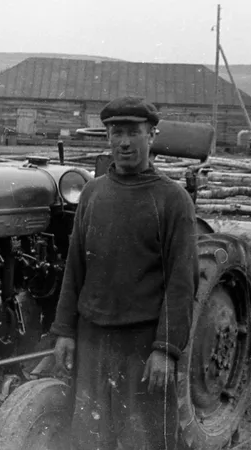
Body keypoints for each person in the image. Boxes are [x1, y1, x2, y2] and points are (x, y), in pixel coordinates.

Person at [50, 96, 200, 450]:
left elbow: (182, 283)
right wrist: (65, 331)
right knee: (89, 439)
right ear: (107, 137)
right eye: (116, 132)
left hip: (141, 347)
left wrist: (165, 350)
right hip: (92, 341)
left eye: (134, 132)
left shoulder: (173, 200)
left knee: (145, 440)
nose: (125, 142)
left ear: (152, 135)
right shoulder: (92, 193)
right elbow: (75, 268)